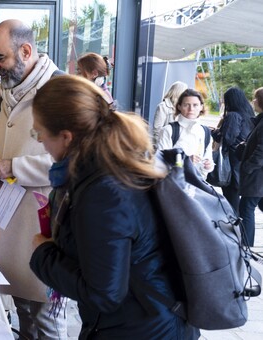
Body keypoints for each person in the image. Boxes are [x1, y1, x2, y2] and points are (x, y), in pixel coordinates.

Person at [29, 75, 199, 339]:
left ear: (66, 137)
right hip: (144, 319)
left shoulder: (105, 191)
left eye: (38, 132)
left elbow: (104, 294)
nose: (39, 140)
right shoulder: (109, 165)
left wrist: (43, 253)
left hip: (144, 329)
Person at [0, 19, 66, 339]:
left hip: (42, 230)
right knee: (24, 319)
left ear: (25, 51)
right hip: (10, 227)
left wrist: (16, 167)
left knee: (46, 324)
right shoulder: (10, 91)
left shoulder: (60, 90)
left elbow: (79, 160)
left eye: (0, 58)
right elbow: (4, 149)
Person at [211, 86, 255, 212]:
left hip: (231, 159)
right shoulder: (248, 114)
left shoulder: (233, 116)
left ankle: (235, 225)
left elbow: (228, 138)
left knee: (231, 195)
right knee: (236, 193)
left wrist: (214, 132)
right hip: (243, 157)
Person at [157, 88, 214, 178]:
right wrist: (185, 160)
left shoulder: (205, 132)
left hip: (197, 186)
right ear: (179, 106)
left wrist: (208, 165)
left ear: (201, 107)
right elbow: (160, 161)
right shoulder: (169, 130)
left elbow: (208, 160)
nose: (191, 109)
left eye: (195, 105)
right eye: (186, 105)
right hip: (174, 185)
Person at [238, 87, 263, 247]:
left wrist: (247, 166)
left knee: (246, 208)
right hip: (257, 175)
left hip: (257, 175)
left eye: (255, 98)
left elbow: (262, 151)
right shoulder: (259, 120)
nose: (253, 101)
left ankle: (246, 247)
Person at [152, 81, 189, 145]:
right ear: (178, 93)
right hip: (163, 146)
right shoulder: (163, 106)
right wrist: (160, 148)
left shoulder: (182, 107)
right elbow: (157, 131)